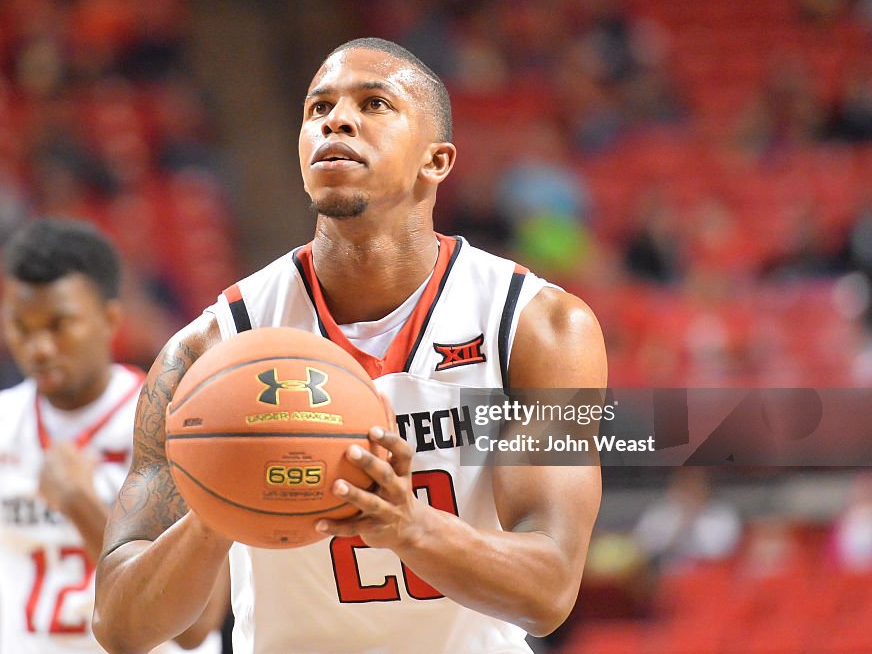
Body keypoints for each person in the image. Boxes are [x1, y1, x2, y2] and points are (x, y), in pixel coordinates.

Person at [93, 37, 607, 654]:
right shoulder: (211, 347)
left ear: (436, 160)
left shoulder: (539, 328)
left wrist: (408, 527)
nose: (336, 119)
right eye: (318, 109)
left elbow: (549, 593)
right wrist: (218, 505)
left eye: (375, 104)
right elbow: (121, 626)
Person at [0, 218, 226, 654]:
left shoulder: (176, 421)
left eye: (58, 325)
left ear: (110, 319)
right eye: (21, 326)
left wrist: (80, 503)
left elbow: (195, 629)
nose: (39, 347)